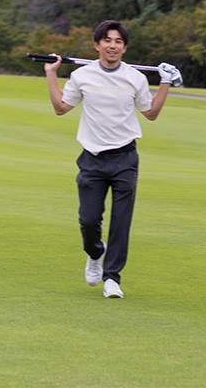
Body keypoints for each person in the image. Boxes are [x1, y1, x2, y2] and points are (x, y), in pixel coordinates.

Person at [44, 20, 181, 298]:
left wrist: (165, 82)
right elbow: (60, 108)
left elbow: (151, 113)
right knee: (89, 220)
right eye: (107, 40)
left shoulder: (136, 78)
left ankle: (112, 278)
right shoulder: (83, 76)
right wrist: (51, 73)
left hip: (124, 157)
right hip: (92, 158)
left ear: (124, 47)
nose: (112, 46)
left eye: (118, 41)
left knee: (121, 221)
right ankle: (95, 252)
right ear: (97, 45)